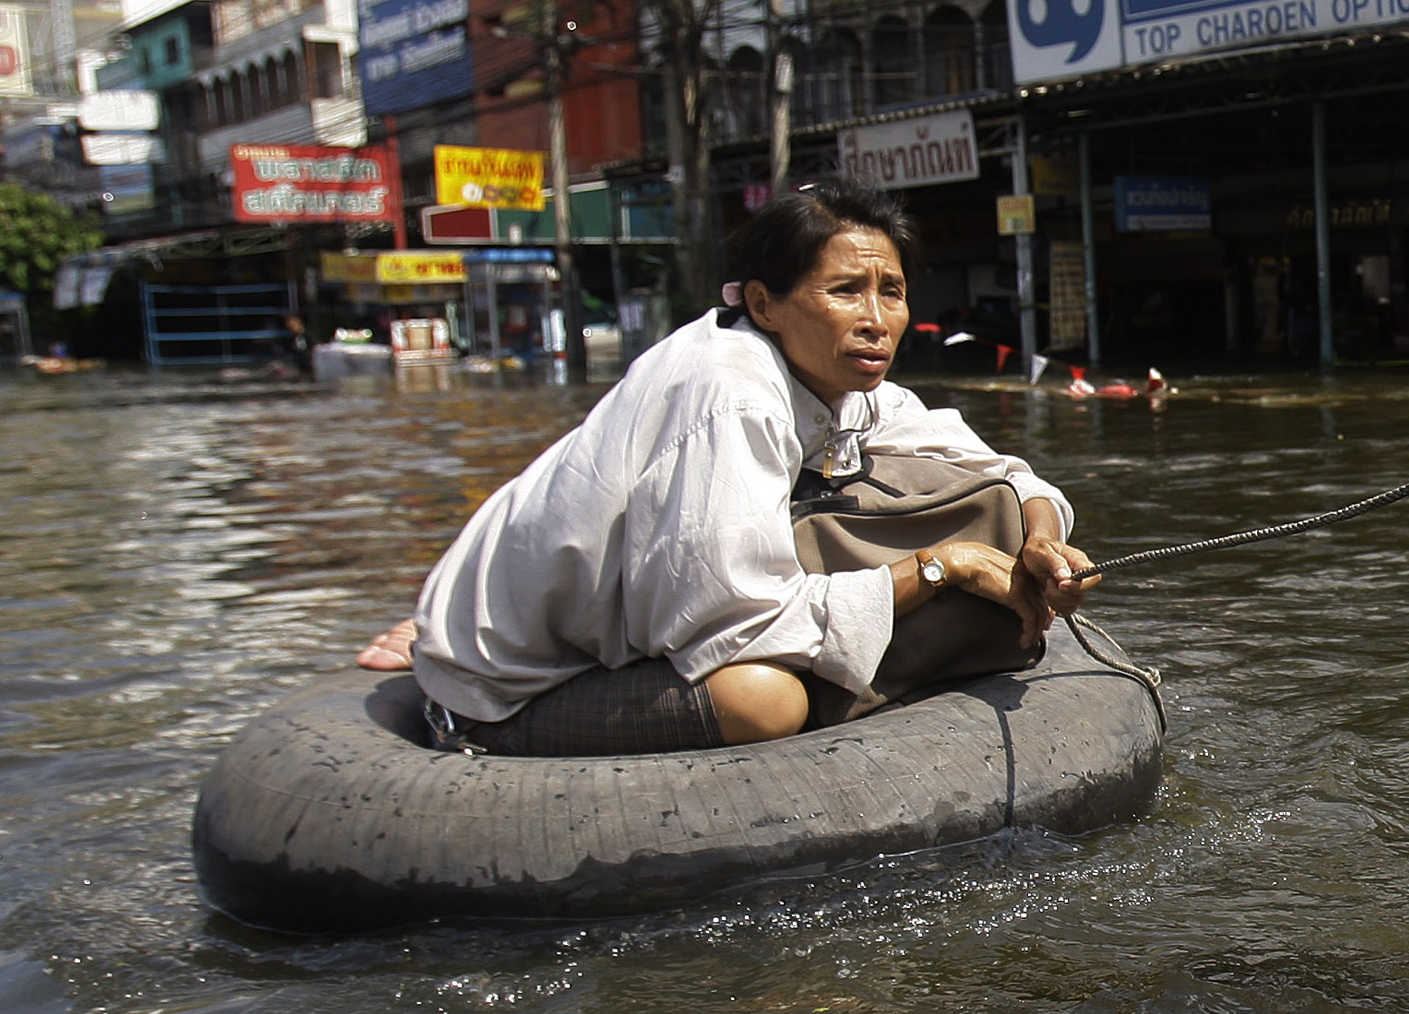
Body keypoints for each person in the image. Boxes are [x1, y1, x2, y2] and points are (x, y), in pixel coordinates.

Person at [377, 180, 1092, 755]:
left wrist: (1038, 539)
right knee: (765, 701)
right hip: (514, 684)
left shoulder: (839, 380)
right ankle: (471, 723)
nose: (877, 318)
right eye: (846, 290)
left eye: (893, 291)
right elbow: (735, 624)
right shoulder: (732, 393)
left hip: (616, 626)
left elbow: (997, 468)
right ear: (763, 303)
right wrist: (945, 566)